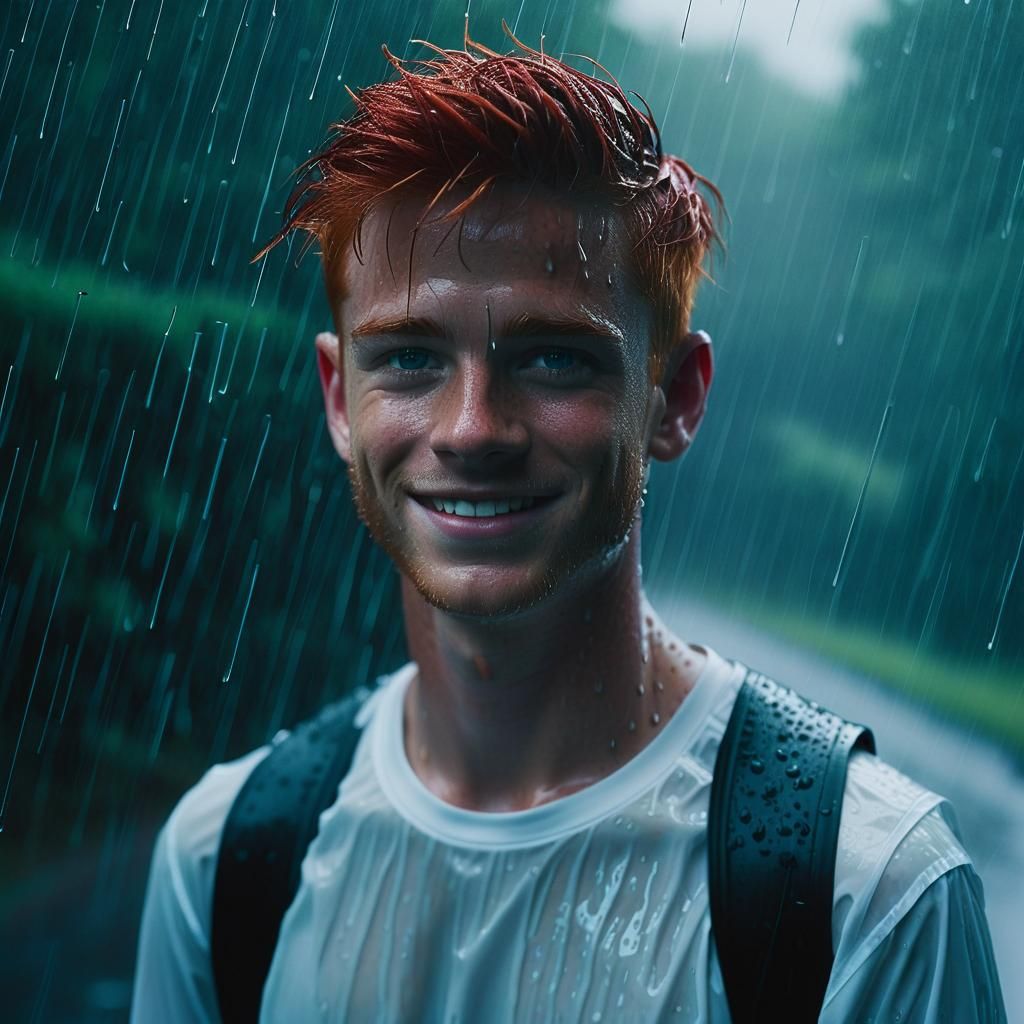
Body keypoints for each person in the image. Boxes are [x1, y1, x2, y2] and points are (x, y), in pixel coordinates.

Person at [130, 27, 1006, 1023]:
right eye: (410, 358)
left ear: (674, 396)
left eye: (552, 358)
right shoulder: (223, 860)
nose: (471, 430)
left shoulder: (870, 892)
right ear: (339, 398)